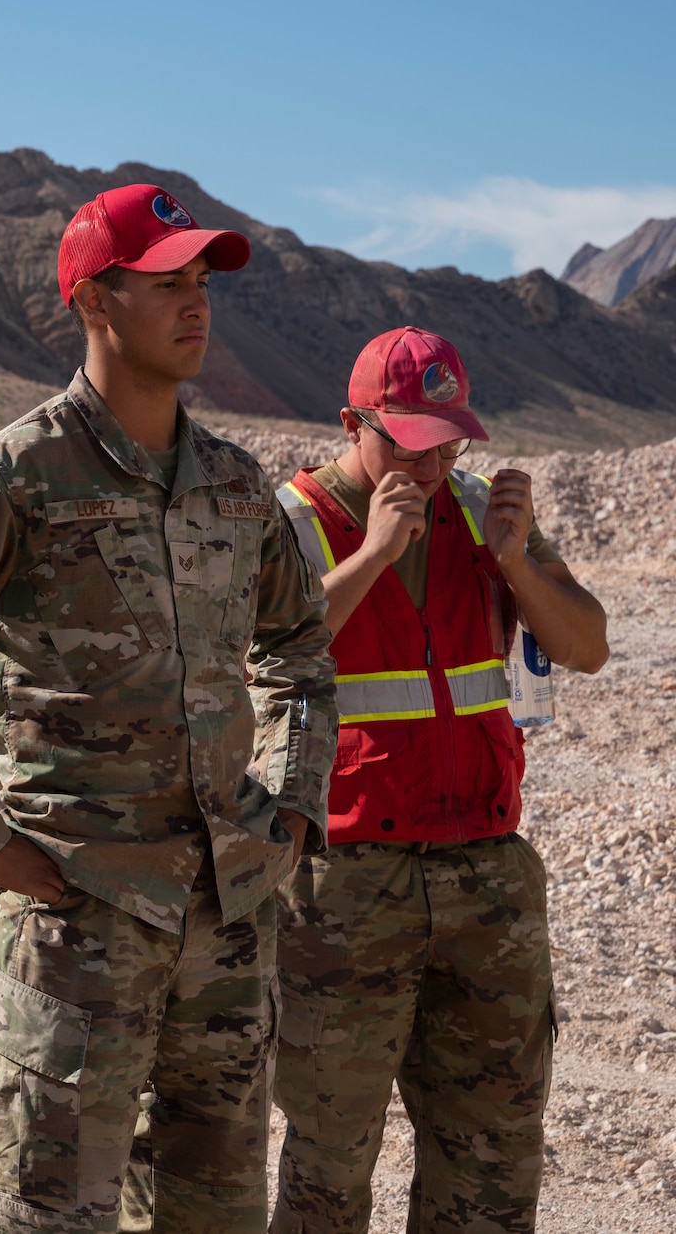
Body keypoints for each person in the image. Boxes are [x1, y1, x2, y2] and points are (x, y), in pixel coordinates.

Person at [0, 183, 339, 1232]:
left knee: (218, 1212)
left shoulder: (237, 488)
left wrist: (287, 808)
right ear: (92, 301)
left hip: (224, 927)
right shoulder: (14, 475)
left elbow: (297, 646)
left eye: (202, 283)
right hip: (75, 923)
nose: (195, 305)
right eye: (165, 283)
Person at [269, 327, 608, 1234]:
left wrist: (512, 559)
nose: (429, 462)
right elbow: (252, 665)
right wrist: (375, 552)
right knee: (329, 1160)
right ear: (353, 423)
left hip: (486, 879)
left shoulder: (480, 513)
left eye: (448, 441)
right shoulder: (293, 523)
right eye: (407, 441)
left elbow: (586, 646)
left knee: (491, 1157)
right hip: (345, 884)